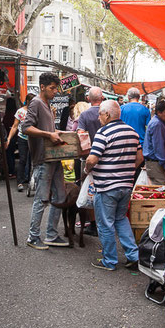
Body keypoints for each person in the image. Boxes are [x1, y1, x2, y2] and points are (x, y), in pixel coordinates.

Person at [85, 100, 142, 271]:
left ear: (107, 115)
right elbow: (139, 158)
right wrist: (125, 171)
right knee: (120, 219)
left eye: (100, 114)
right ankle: (134, 256)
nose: (98, 117)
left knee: (105, 224)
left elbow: (92, 159)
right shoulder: (132, 132)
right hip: (126, 185)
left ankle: (109, 261)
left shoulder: (103, 133)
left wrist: (88, 169)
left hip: (107, 186)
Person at [21, 72, 69, 249]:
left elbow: (48, 129)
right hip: (43, 158)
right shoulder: (36, 102)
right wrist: (48, 134)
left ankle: (51, 235)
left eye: (56, 88)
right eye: (52, 88)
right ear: (42, 87)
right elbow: (26, 127)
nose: (55, 91)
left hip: (54, 157)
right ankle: (33, 237)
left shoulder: (47, 105)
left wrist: (56, 132)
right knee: (41, 199)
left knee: (60, 196)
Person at [77, 86, 104, 236]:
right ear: (102, 98)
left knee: (90, 191)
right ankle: (104, 222)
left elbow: (81, 135)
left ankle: (93, 224)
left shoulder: (85, 115)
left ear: (88, 98)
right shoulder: (108, 113)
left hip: (89, 157)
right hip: (106, 157)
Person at [6, 93, 35, 192]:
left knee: (33, 161)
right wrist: (9, 138)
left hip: (33, 139)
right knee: (22, 159)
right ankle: (20, 181)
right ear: (26, 101)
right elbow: (14, 126)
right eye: (30, 102)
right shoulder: (20, 111)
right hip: (22, 138)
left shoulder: (36, 111)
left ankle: (31, 180)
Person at [143, 100, 165, 185]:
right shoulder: (157, 124)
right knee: (160, 190)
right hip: (156, 164)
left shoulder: (159, 123)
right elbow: (159, 147)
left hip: (155, 163)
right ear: (159, 113)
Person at [3, 97, 18, 179]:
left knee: (9, 154)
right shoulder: (15, 113)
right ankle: (12, 171)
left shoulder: (8, 115)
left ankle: (11, 172)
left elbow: (5, 124)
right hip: (14, 136)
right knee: (11, 154)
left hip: (9, 136)